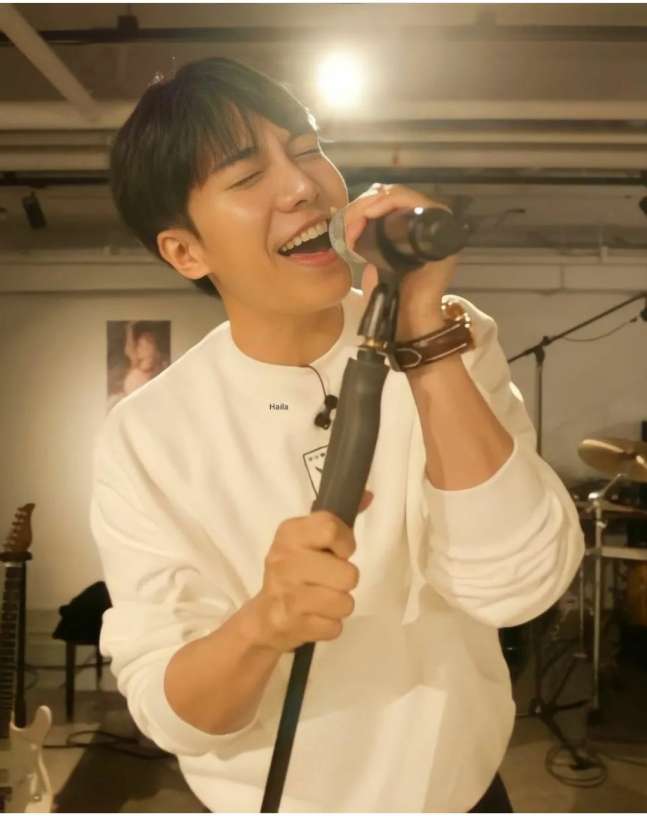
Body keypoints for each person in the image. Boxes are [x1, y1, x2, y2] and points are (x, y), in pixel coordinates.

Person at [91, 57, 585, 813]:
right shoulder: (147, 434)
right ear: (186, 251)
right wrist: (264, 623)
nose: (303, 185)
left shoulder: (450, 335)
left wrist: (421, 336)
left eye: (308, 148)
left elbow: (518, 587)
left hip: (463, 794)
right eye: (247, 175)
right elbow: (172, 712)